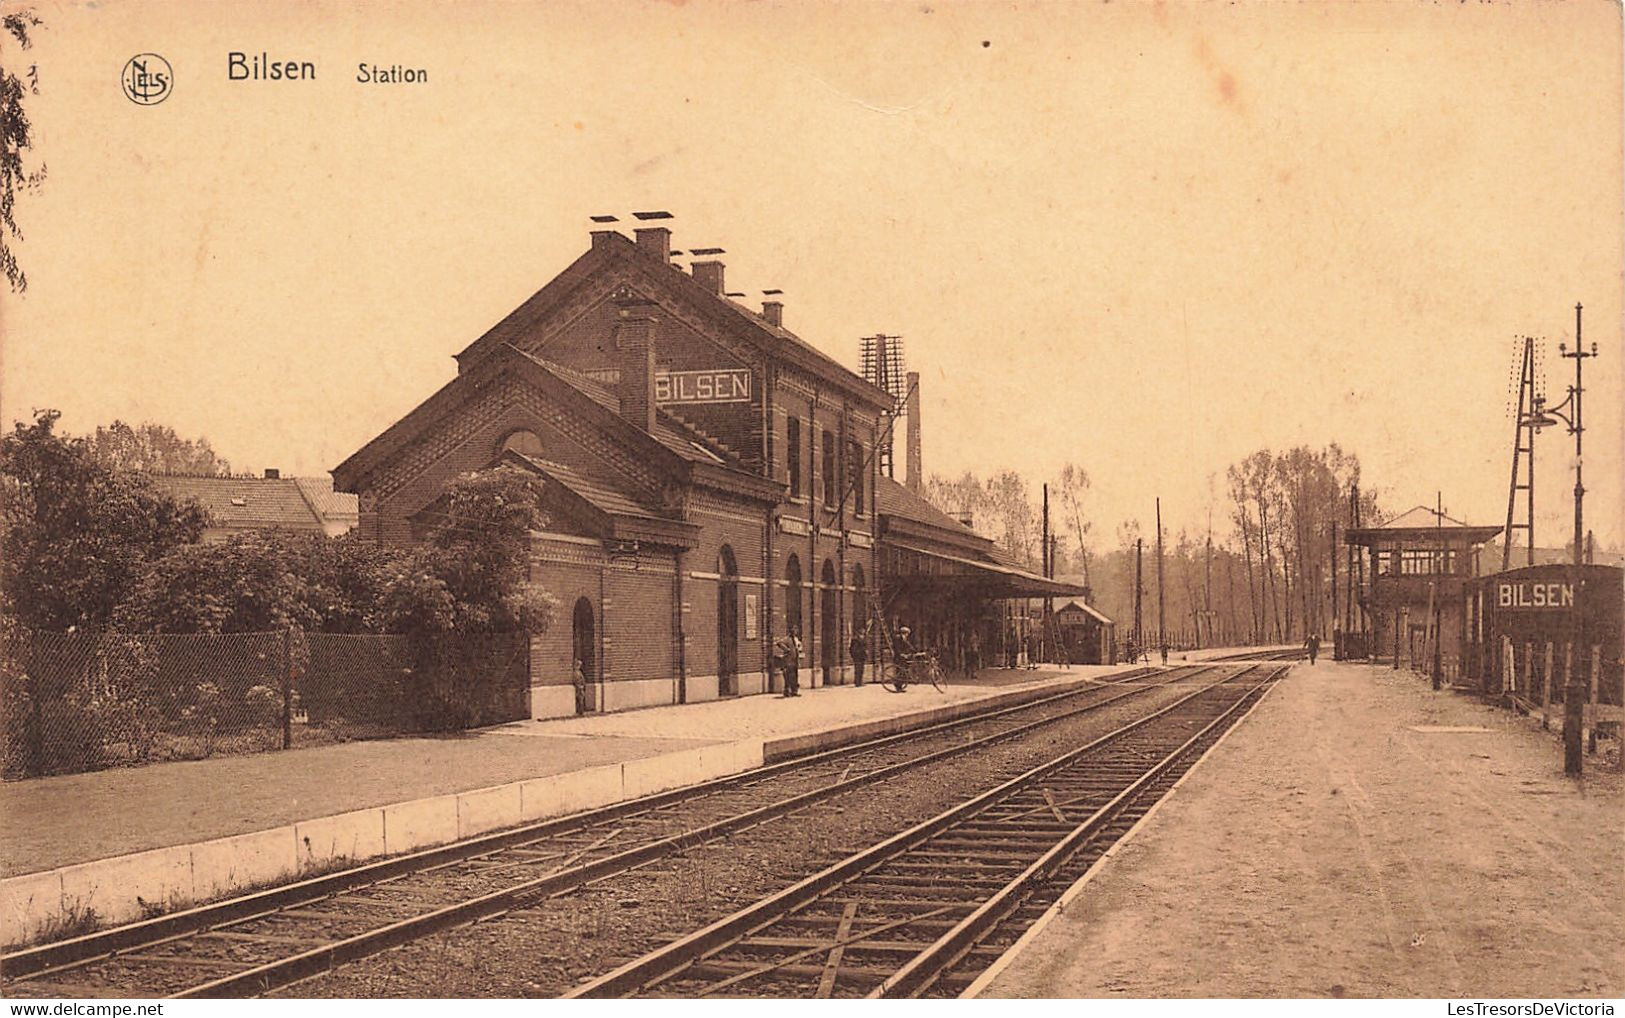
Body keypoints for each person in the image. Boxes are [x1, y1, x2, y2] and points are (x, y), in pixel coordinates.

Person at [785, 629, 803, 696]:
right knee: (789, 676)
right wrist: (787, 650)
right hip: (789, 661)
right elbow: (779, 643)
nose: (795, 633)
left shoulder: (796, 639)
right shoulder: (787, 639)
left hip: (795, 660)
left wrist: (799, 648)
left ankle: (794, 691)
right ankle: (788, 691)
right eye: (794, 632)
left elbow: (800, 646)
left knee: (795, 676)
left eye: (795, 632)